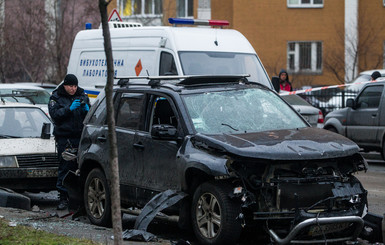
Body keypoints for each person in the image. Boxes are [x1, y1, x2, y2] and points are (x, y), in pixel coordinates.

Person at [48, 74, 90, 210]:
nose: (73, 89)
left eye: (75, 86)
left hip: (79, 136)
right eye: (70, 86)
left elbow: (90, 113)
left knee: (80, 167)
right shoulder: (56, 97)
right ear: (65, 85)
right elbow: (55, 115)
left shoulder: (82, 95)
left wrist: (87, 110)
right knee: (65, 167)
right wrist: (69, 109)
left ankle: (78, 198)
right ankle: (63, 197)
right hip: (64, 137)